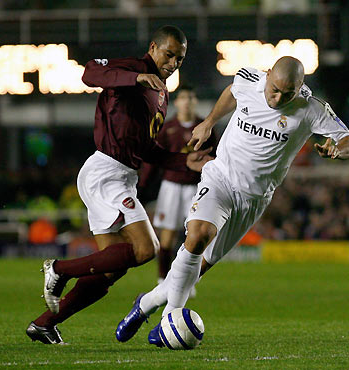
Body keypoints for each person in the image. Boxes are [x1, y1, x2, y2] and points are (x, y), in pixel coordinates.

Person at [115, 56, 349, 346]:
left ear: (301, 89)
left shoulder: (312, 109)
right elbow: (232, 92)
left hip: (253, 198)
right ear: (268, 75)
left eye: (287, 94)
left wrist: (337, 150)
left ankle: (144, 304)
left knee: (197, 269)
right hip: (220, 177)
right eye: (274, 89)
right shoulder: (249, 79)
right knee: (198, 237)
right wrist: (209, 122)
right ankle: (171, 318)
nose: (277, 98)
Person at [25, 25, 213, 345]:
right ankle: (59, 269)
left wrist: (184, 162)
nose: (173, 63)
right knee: (145, 249)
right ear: (153, 47)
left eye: (179, 59)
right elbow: (89, 73)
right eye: (169, 54)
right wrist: (136, 78)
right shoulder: (133, 70)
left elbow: (145, 150)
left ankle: (45, 323)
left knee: (110, 270)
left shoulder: (161, 92)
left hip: (122, 174)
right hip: (106, 171)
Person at [138, 85, 218, 293]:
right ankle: (162, 279)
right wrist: (143, 184)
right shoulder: (167, 127)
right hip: (171, 187)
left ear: (195, 101)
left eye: (191, 97)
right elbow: (155, 158)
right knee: (168, 236)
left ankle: (185, 282)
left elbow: (216, 158)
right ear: (177, 102)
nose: (187, 101)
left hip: (197, 187)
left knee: (194, 237)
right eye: (183, 97)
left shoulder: (205, 127)